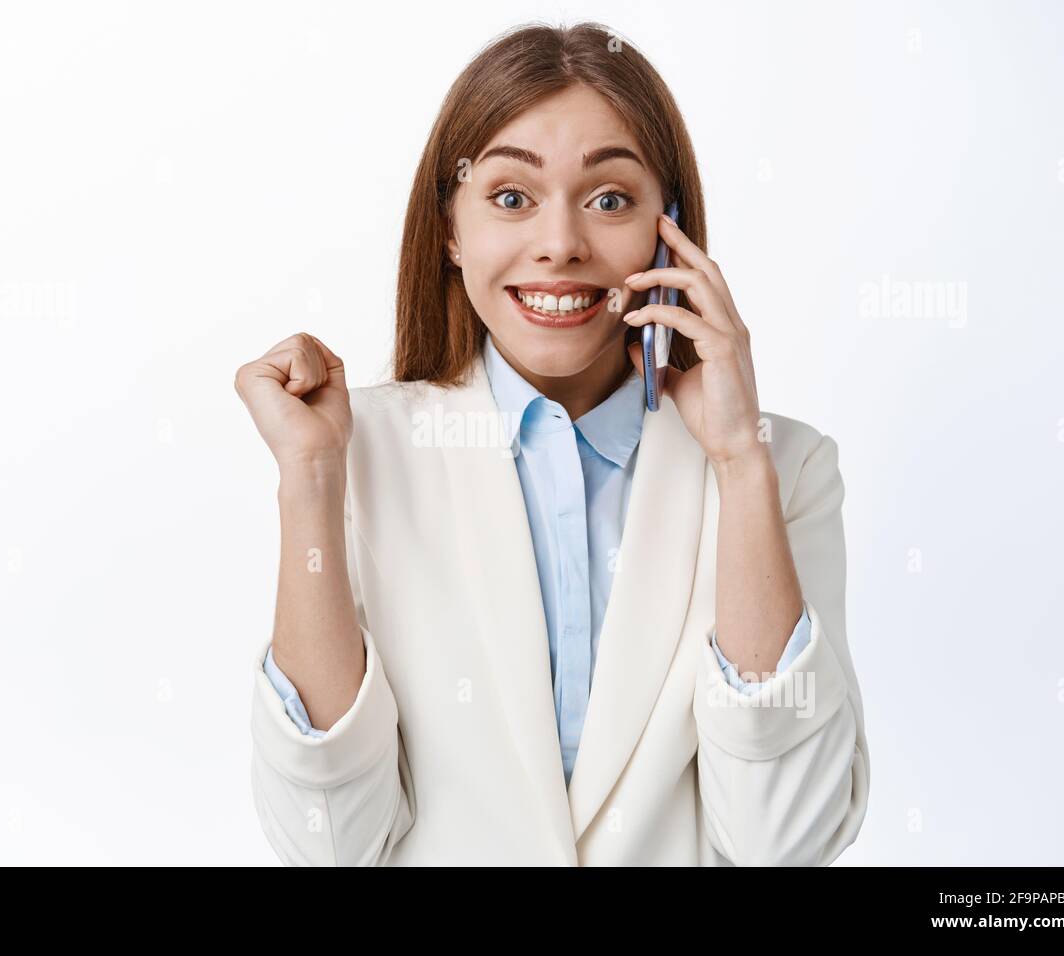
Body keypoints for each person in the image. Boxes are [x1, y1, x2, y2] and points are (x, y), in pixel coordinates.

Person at [235, 20, 869, 866]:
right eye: (511, 197)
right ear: (452, 231)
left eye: (610, 199)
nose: (561, 243)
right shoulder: (353, 451)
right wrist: (312, 480)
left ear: (667, 229)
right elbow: (328, 845)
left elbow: (783, 840)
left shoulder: (783, 468)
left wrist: (740, 463)